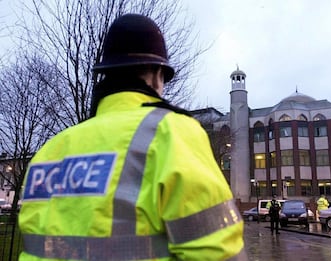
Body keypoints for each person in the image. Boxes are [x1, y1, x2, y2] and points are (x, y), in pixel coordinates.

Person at [18, 14, 247, 261]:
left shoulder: (50, 150)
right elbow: (217, 252)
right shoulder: (172, 132)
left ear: (106, 73)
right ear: (157, 75)